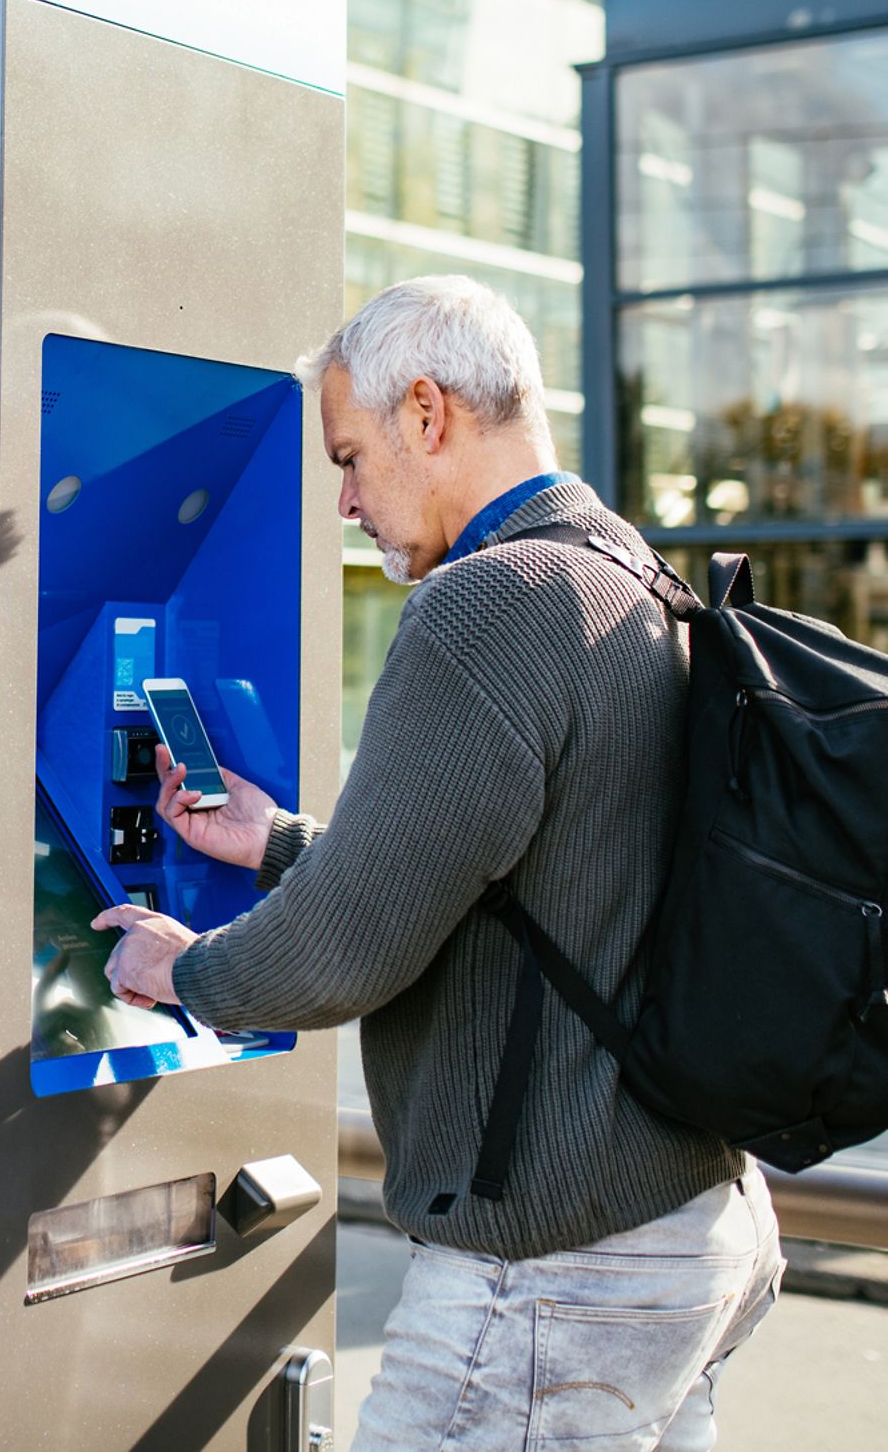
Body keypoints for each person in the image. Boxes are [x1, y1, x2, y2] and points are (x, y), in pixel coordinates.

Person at [92, 275, 783, 1450]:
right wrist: (280, 844)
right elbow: (540, 881)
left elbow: (345, 951)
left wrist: (181, 970)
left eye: (353, 458)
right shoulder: (627, 576)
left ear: (428, 414)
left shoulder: (489, 602)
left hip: (555, 1266)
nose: (349, 501)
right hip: (687, 1223)